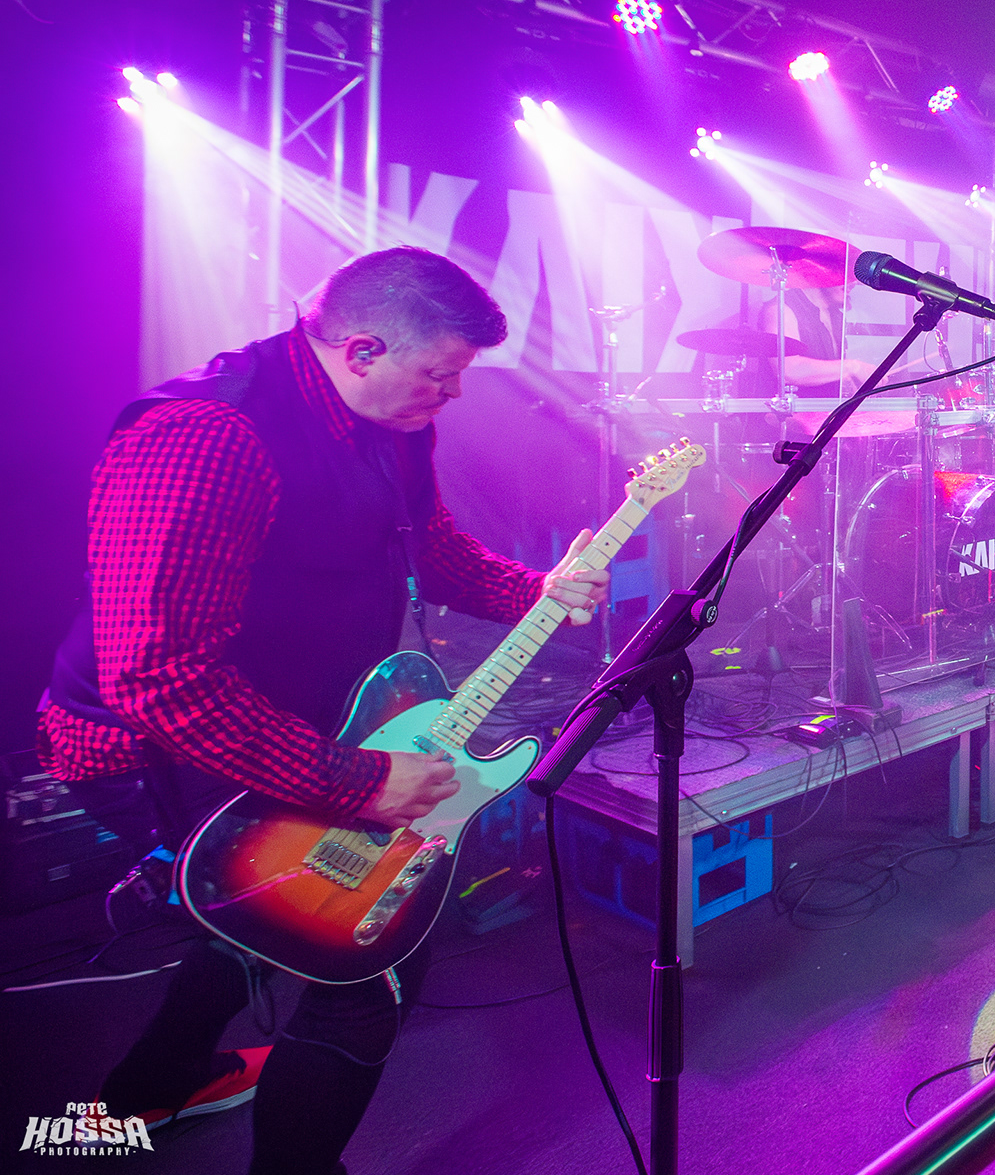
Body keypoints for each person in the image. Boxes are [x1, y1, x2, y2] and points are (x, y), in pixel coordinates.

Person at [36, 247, 608, 1174]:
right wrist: (358, 780)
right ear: (362, 348)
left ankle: (145, 1095)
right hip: (150, 741)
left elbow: (430, 546)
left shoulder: (387, 416)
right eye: (440, 374)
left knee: (265, 908)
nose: (453, 395)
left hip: (278, 717)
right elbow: (160, 680)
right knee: (362, 952)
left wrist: (535, 590)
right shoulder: (203, 437)